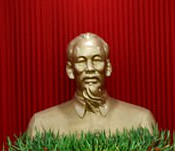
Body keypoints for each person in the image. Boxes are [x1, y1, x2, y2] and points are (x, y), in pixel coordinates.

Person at [26, 33, 157, 135]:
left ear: (108, 67)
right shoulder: (42, 124)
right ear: (70, 70)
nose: (89, 68)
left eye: (97, 60)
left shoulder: (141, 121)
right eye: (81, 61)